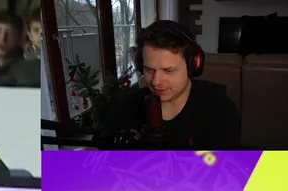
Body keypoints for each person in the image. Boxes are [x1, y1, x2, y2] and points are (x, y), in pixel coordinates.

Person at [102, 21, 240, 150]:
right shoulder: (127, 106)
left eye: (168, 71)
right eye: (149, 70)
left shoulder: (220, 110)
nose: (156, 82)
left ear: (192, 66)